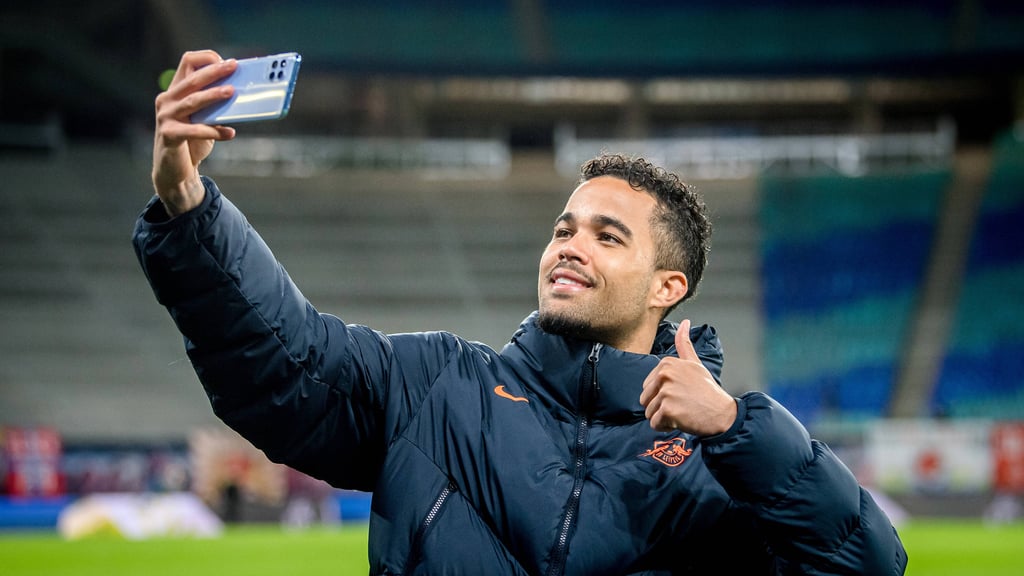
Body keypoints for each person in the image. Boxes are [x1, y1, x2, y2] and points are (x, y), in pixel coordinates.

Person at [134, 50, 908, 575]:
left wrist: (741, 430)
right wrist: (187, 202)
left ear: (668, 286)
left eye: (608, 237)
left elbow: (867, 562)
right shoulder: (436, 382)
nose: (570, 247)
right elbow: (284, 363)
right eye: (563, 229)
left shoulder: (722, 458)